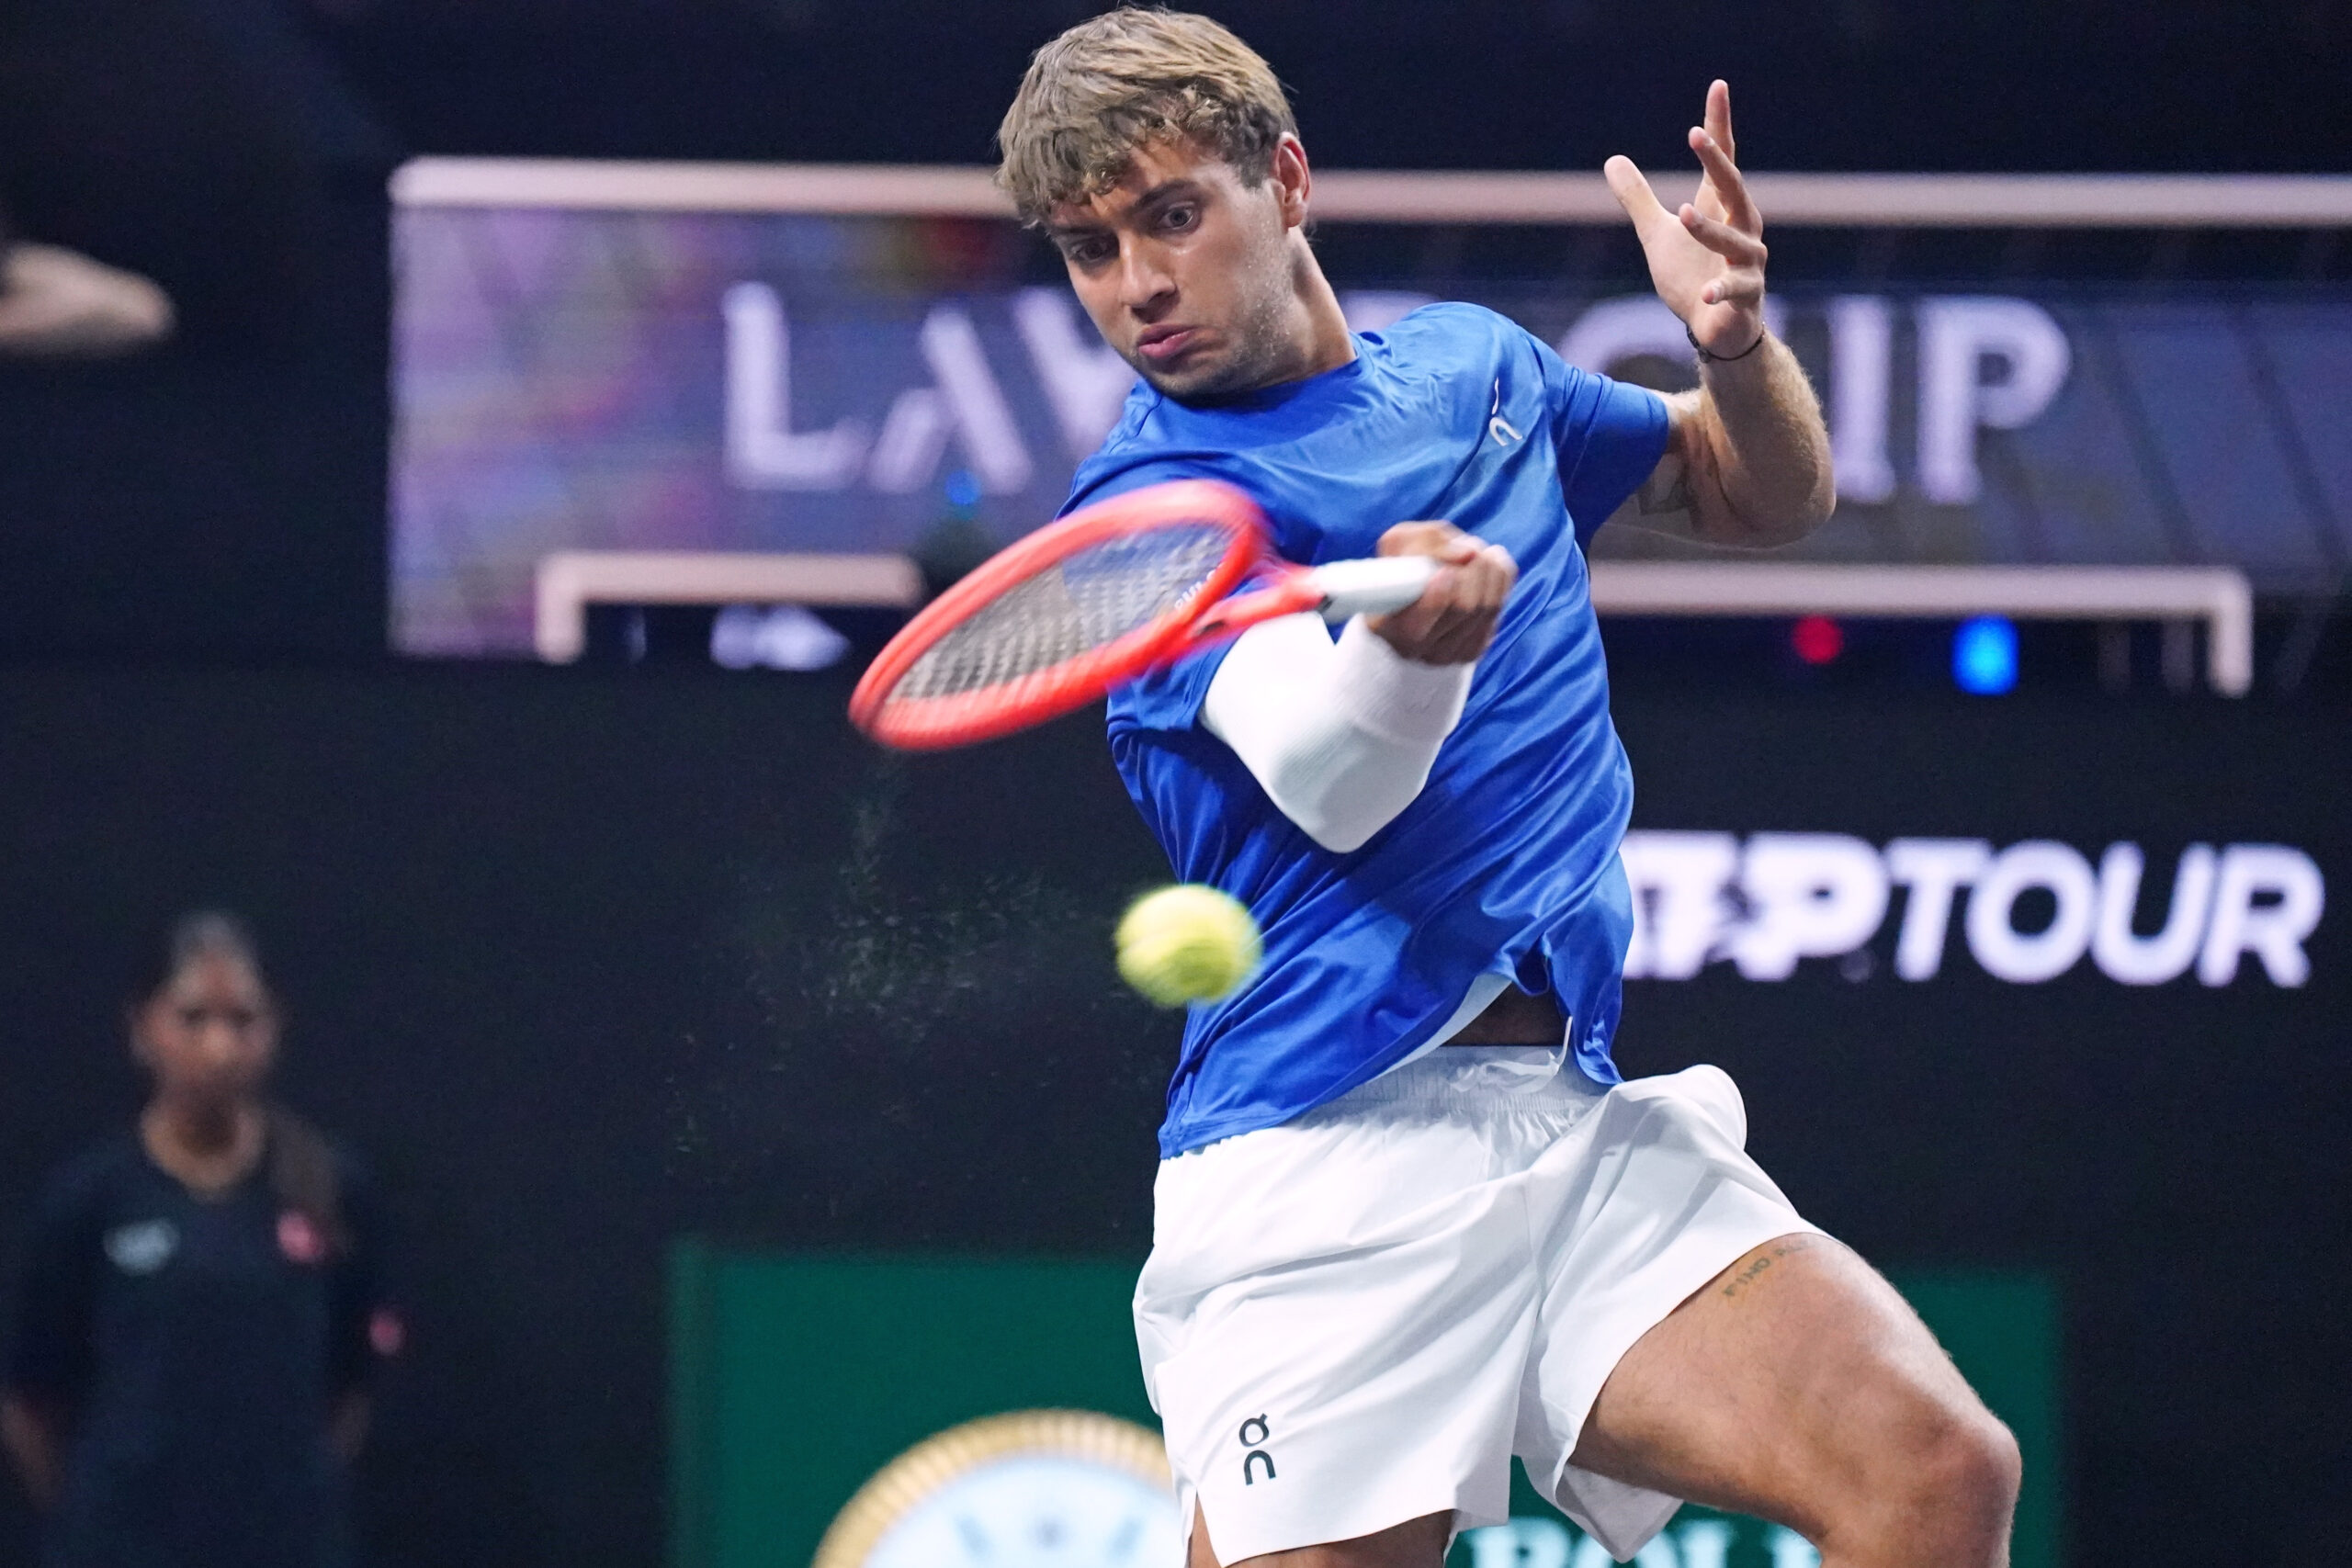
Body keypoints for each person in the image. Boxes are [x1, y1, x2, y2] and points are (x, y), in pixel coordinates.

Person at [994, 12, 2019, 1568]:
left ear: (1286, 180)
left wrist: (1736, 345)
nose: (1135, 285)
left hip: (1572, 1125)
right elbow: (1332, 782)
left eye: (1170, 215)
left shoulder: (1476, 368)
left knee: (1934, 1472)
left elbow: (1760, 494)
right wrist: (1415, 657)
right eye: (1088, 248)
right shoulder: (1152, 516)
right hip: (1323, 1172)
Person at [2, 911, 397, 1568]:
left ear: (274, 1029)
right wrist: (102, 1517)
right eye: (192, 1019)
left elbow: (351, 1381)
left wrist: (286, 1492)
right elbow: (30, 1398)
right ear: (141, 1028)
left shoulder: (330, 1187)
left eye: (242, 1021)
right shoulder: (87, 1199)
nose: (219, 1048)